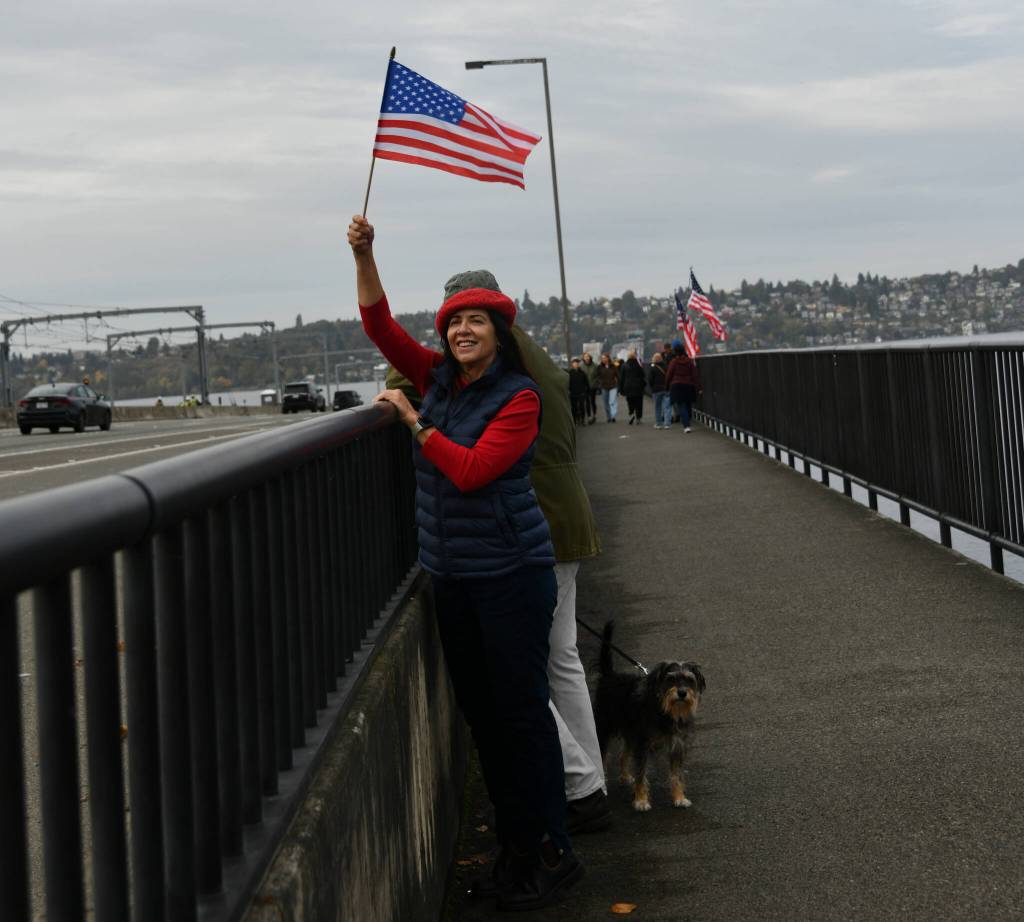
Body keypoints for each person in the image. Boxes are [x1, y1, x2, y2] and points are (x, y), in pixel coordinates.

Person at [348, 215, 583, 911]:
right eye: (454, 323)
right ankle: (515, 853)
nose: (462, 332)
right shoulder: (442, 380)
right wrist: (365, 254)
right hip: (454, 578)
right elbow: (380, 326)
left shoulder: (519, 396)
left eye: (476, 321)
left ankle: (549, 853)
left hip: (511, 576)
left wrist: (415, 422)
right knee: (483, 716)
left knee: (519, 716)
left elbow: (476, 471)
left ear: (498, 332)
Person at [664, 341, 701, 432]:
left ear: (675, 352)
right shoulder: (689, 361)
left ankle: (686, 426)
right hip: (689, 385)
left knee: (681, 405)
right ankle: (688, 421)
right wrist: (698, 387)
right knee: (688, 405)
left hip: (677, 385)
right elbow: (695, 375)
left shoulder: (674, 362)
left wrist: (666, 385)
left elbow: (669, 374)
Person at [618, 351, 646, 425]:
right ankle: (638, 418)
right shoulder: (638, 364)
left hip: (628, 387)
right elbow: (643, 375)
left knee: (630, 402)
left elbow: (622, 378)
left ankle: (631, 413)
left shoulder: (624, 365)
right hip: (638, 387)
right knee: (639, 403)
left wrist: (620, 389)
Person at [647, 352, 670, 429]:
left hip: (656, 390)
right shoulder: (666, 366)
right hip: (665, 388)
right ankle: (667, 424)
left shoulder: (652, 368)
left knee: (658, 407)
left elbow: (650, 379)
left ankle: (659, 424)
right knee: (667, 407)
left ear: (654, 359)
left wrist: (652, 387)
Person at [595, 353, 619, 423]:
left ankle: (613, 416)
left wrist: (619, 385)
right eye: (602, 358)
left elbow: (617, 375)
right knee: (606, 403)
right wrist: (600, 383)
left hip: (613, 386)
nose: (603, 359)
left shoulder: (613, 366)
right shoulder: (599, 367)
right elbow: (597, 376)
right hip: (604, 386)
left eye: (605, 358)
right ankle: (608, 417)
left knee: (612, 401)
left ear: (608, 358)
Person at [568, 358, 589, 425]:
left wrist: (586, 390)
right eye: (575, 363)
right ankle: (575, 420)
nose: (576, 364)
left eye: (577, 363)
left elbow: (586, 382)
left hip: (581, 392)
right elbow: (568, 383)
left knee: (582, 407)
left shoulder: (582, 373)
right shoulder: (570, 373)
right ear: (572, 364)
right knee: (574, 408)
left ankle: (582, 420)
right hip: (573, 393)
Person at [580, 352, 599, 425]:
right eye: (585, 357)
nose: (587, 358)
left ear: (590, 357)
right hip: (585, 387)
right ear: (583, 358)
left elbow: (598, 375)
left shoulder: (595, 366)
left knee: (593, 401)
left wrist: (596, 383)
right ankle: (589, 416)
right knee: (587, 402)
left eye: (588, 357)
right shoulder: (581, 366)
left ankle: (594, 414)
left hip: (593, 386)